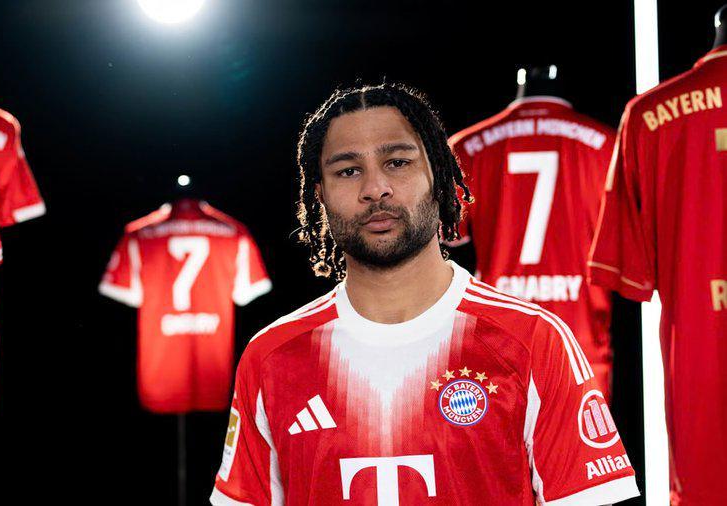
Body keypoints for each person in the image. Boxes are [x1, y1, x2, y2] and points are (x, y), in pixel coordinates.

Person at [209, 82, 640, 505]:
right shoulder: (271, 357)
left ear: (438, 174)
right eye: (348, 170)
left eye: (397, 162)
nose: (375, 188)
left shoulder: (534, 341)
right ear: (319, 193)